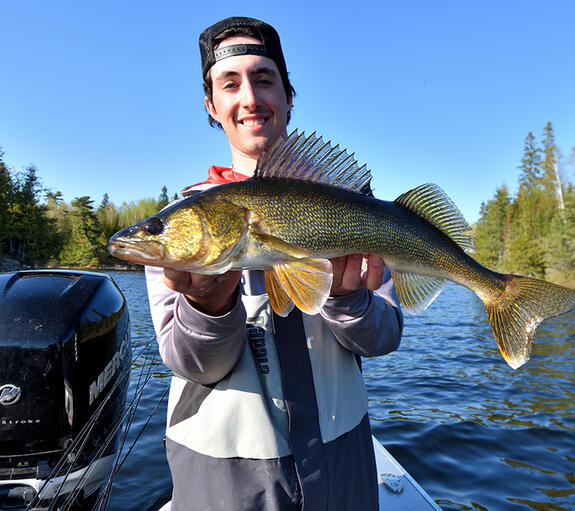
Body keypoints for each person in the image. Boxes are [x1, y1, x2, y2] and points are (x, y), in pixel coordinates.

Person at [145, 16, 403, 511]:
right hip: (227, 481)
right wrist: (209, 309)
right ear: (211, 105)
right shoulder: (187, 222)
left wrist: (350, 301)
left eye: (264, 79)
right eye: (230, 83)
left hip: (343, 464)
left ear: (288, 95)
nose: (250, 98)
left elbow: (384, 338)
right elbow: (191, 363)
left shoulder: (351, 205)